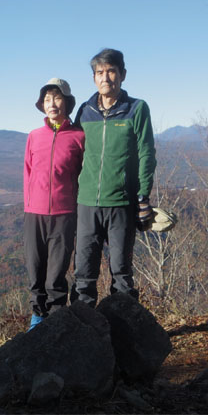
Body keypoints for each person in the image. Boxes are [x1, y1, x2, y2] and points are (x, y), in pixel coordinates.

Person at [72, 48, 156, 306]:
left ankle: (125, 333)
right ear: (93, 78)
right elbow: (73, 153)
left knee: (121, 273)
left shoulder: (137, 109)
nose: (105, 77)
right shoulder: (85, 111)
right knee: (83, 273)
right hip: (86, 203)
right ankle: (83, 333)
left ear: (122, 74)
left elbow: (146, 154)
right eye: (99, 72)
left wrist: (142, 197)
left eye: (111, 71)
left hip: (121, 202)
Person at [23, 78, 85, 330]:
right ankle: (37, 317)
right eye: (47, 99)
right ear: (42, 105)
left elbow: (84, 174)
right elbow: (27, 172)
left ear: (67, 103)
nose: (52, 104)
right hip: (33, 213)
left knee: (56, 272)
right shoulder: (34, 136)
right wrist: (29, 205)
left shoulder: (79, 137)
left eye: (57, 98)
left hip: (65, 213)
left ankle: (57, 320)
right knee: (34, 267)